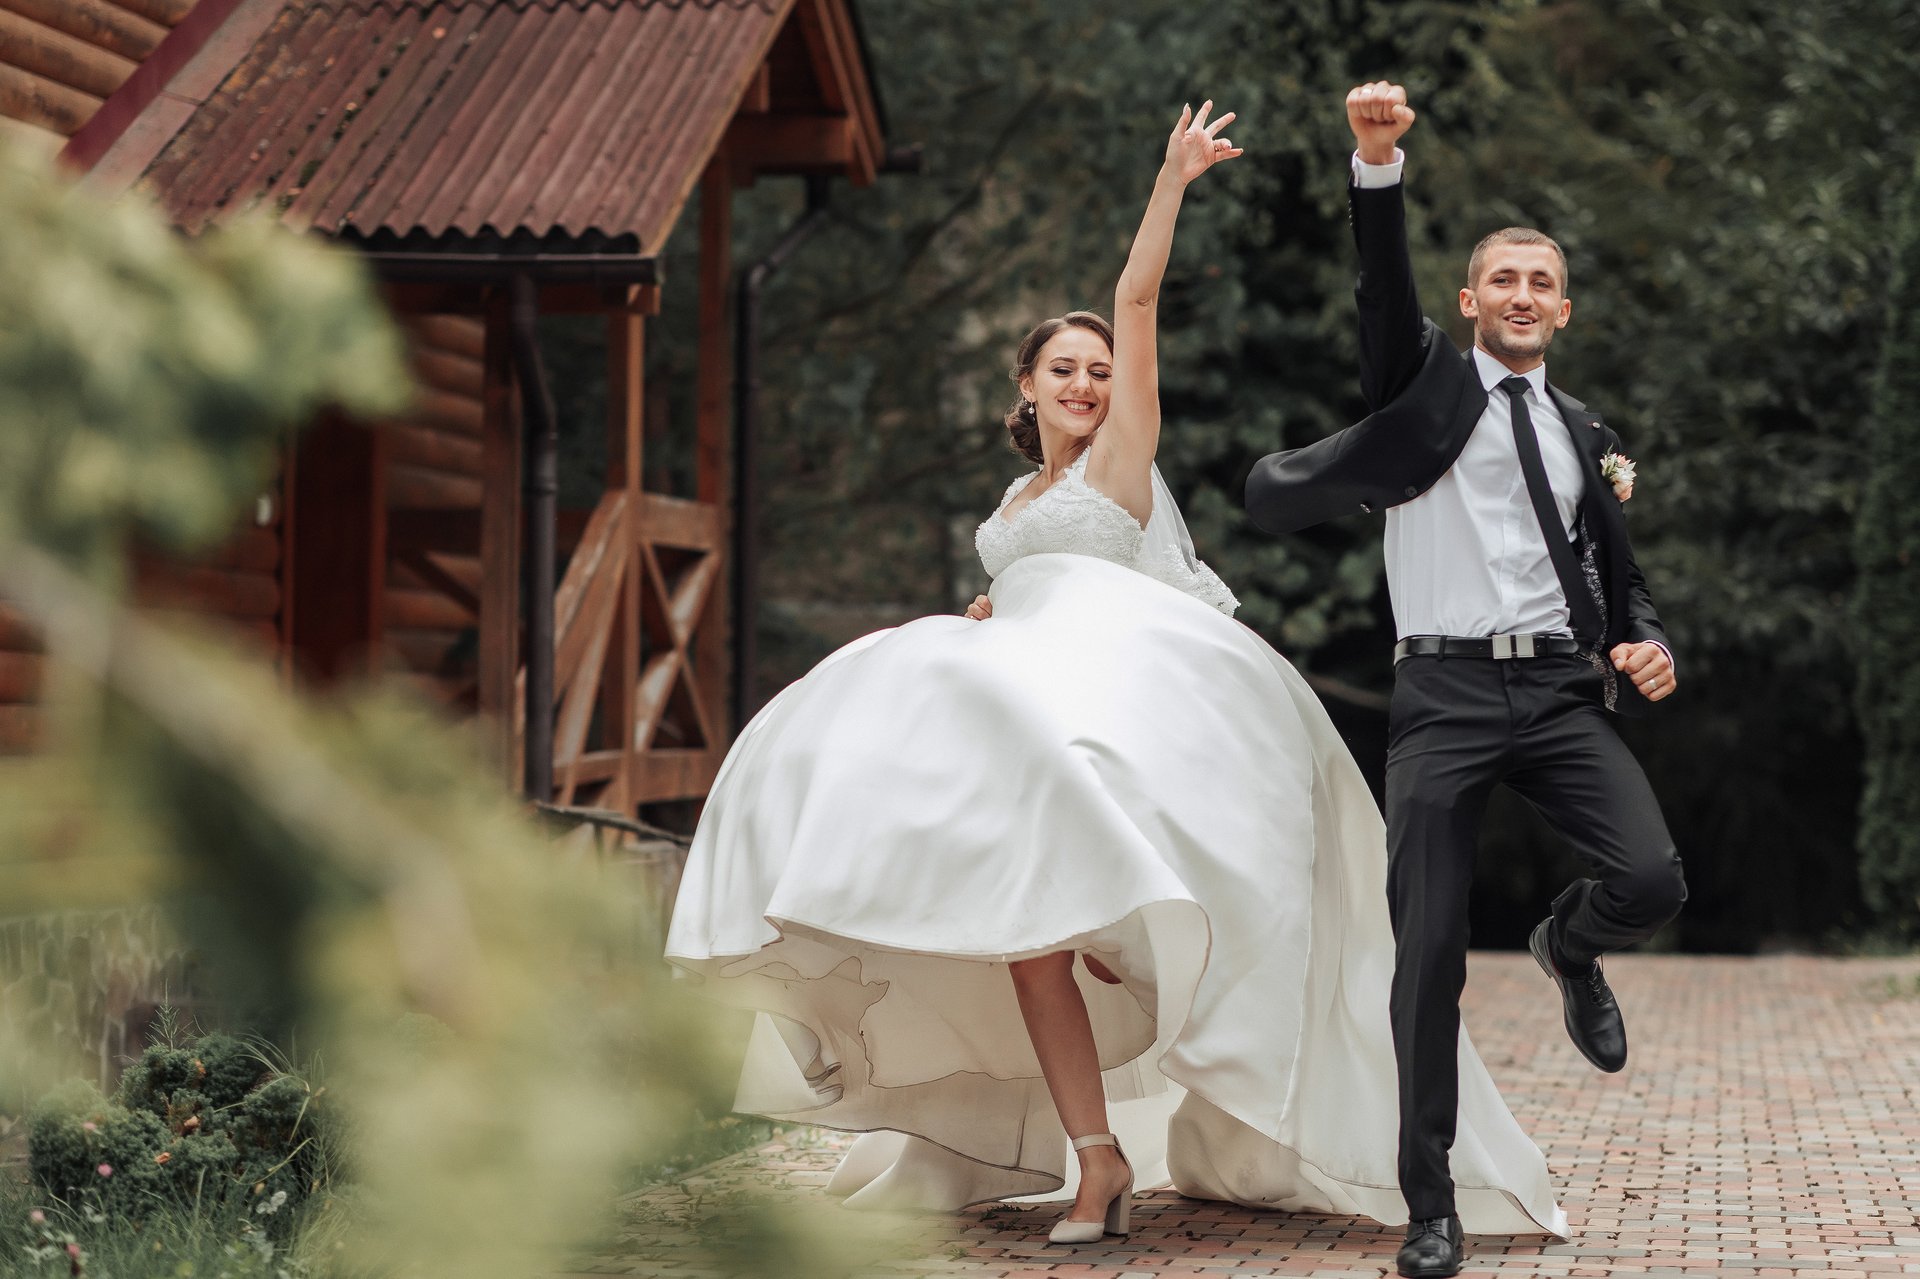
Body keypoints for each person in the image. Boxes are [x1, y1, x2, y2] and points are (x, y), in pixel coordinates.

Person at [667, 101, 1563, 1248]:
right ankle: (1095, 1156)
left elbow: (1136, 302)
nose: (1087, 384)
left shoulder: (1119, 460)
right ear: (1026, 384)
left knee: (1072, 911)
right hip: (1026, 715)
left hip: (1113, 707)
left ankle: (1133, 968)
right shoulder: (1016, 501)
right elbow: (1024, 584)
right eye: (1066, 369)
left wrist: (1171, 182)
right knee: (1018, 927)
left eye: (1097, 370)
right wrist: (997, 603)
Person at [1244, 82, 1687, 1278]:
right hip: (1440, 700)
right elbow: (1380, 291)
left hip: (1556, 694)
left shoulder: (1585, 431)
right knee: (1428, 957)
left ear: (1564, 309)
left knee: (1651, 877)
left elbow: (1619, 577)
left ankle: (1568, 946)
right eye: (1504, 279)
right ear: (1473, 301)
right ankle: (1430, 1206)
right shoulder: (1423, 387)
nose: (1523, 295)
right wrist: (1376, 165)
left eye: (1542, 282)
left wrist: (1644, 640)